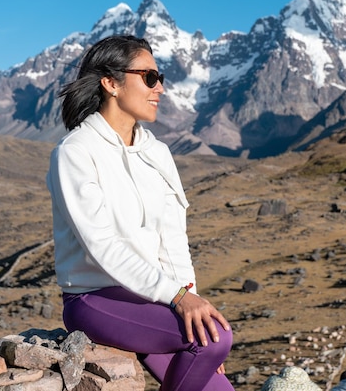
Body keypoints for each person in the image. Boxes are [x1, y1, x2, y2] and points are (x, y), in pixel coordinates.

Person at [46, 35, 234, 391]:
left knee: (218, 371)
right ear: (111, 83)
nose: (159, 87)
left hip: (152, 299)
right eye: (149, 77)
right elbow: (102, 245)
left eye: (159, 77)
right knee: (219, 338)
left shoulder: (158, 153)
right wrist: (178, 300)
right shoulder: (75, 153)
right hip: (93, 299)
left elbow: (174, 241)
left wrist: (194, 309)